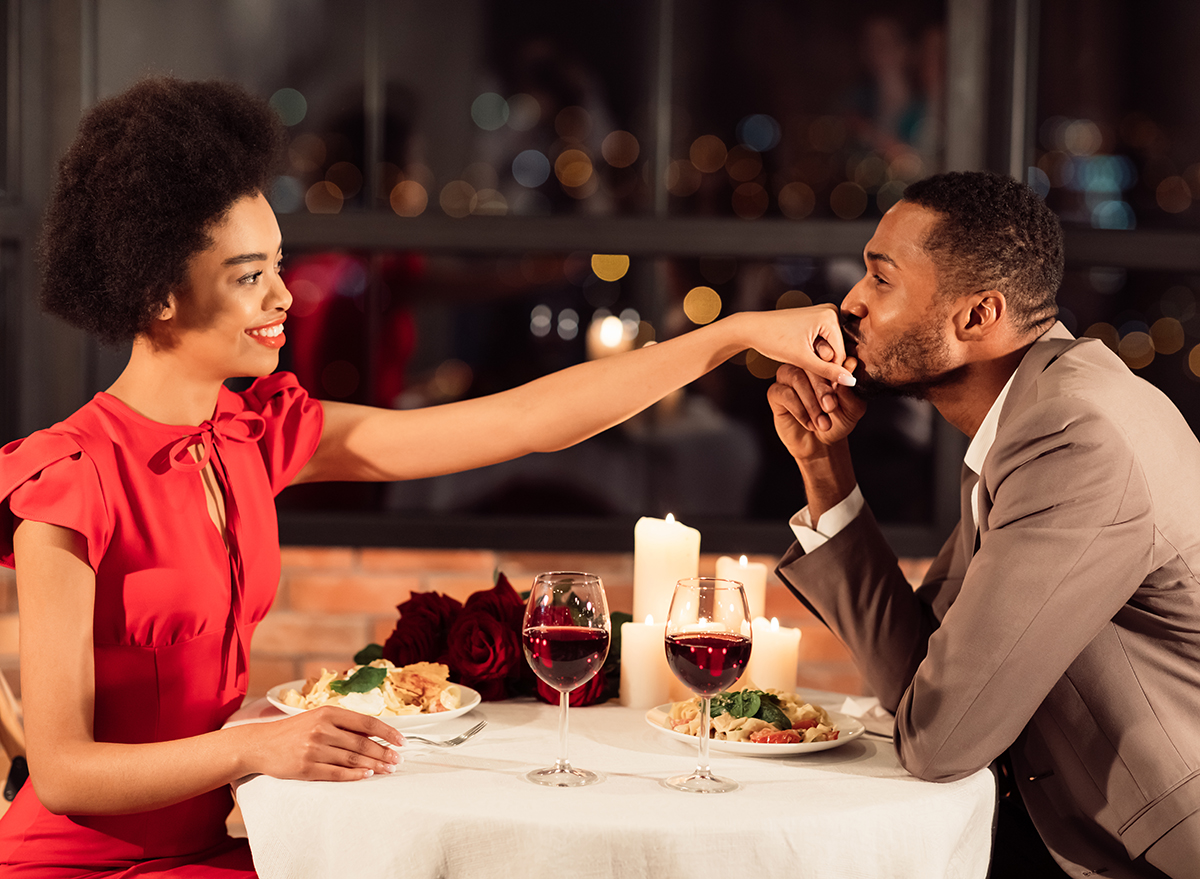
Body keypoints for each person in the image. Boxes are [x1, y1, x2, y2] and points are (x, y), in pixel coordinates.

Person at [0, 77, 853, 876]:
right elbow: (66, 770)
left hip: (215, 846)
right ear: (158, 294)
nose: (283, 298)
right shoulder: (70, 479)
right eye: (248, 276)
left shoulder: (256, 436)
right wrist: (256, 744)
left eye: (278, 265)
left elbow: (525, 421)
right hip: (76, 864)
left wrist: (728, 335)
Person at [768, 170, 1200, 878]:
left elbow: (940, 739)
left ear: (977, 316)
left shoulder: (1073, 435)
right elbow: (923, 675)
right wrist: (825, 469)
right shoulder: (1034, 413)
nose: (851, 301)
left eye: (881, 279)